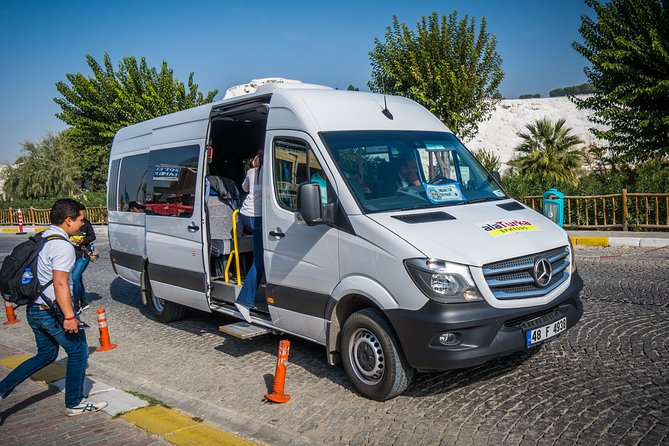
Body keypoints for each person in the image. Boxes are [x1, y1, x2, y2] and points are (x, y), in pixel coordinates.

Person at [0, 199, 108, 418]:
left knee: (45, 355)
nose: (82, 223)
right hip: (52, 313)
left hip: (35, 310)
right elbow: (60, 283)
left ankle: (1, 390)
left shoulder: (42, 237)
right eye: (80, 219)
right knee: (78, 352)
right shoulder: (62, 246)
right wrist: (69, 316)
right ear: (68, 220)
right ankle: (75, 402)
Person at [235, 150, 264, 323]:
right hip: (257, 218)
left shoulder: (251, 172)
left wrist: (253, 168)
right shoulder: (271, 173)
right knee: (259, 260)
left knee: (260, 256)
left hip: (245, 216)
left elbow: (244, 188)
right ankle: (244, 301)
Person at [71, 217, 96, 312]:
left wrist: (83, 240)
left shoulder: (85, 222)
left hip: (84, 254)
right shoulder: (68, 222)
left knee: (75, 277)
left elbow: (93, 236)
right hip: (71, 254)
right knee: (78, 278)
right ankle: (84, 302)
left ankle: (76, 304)